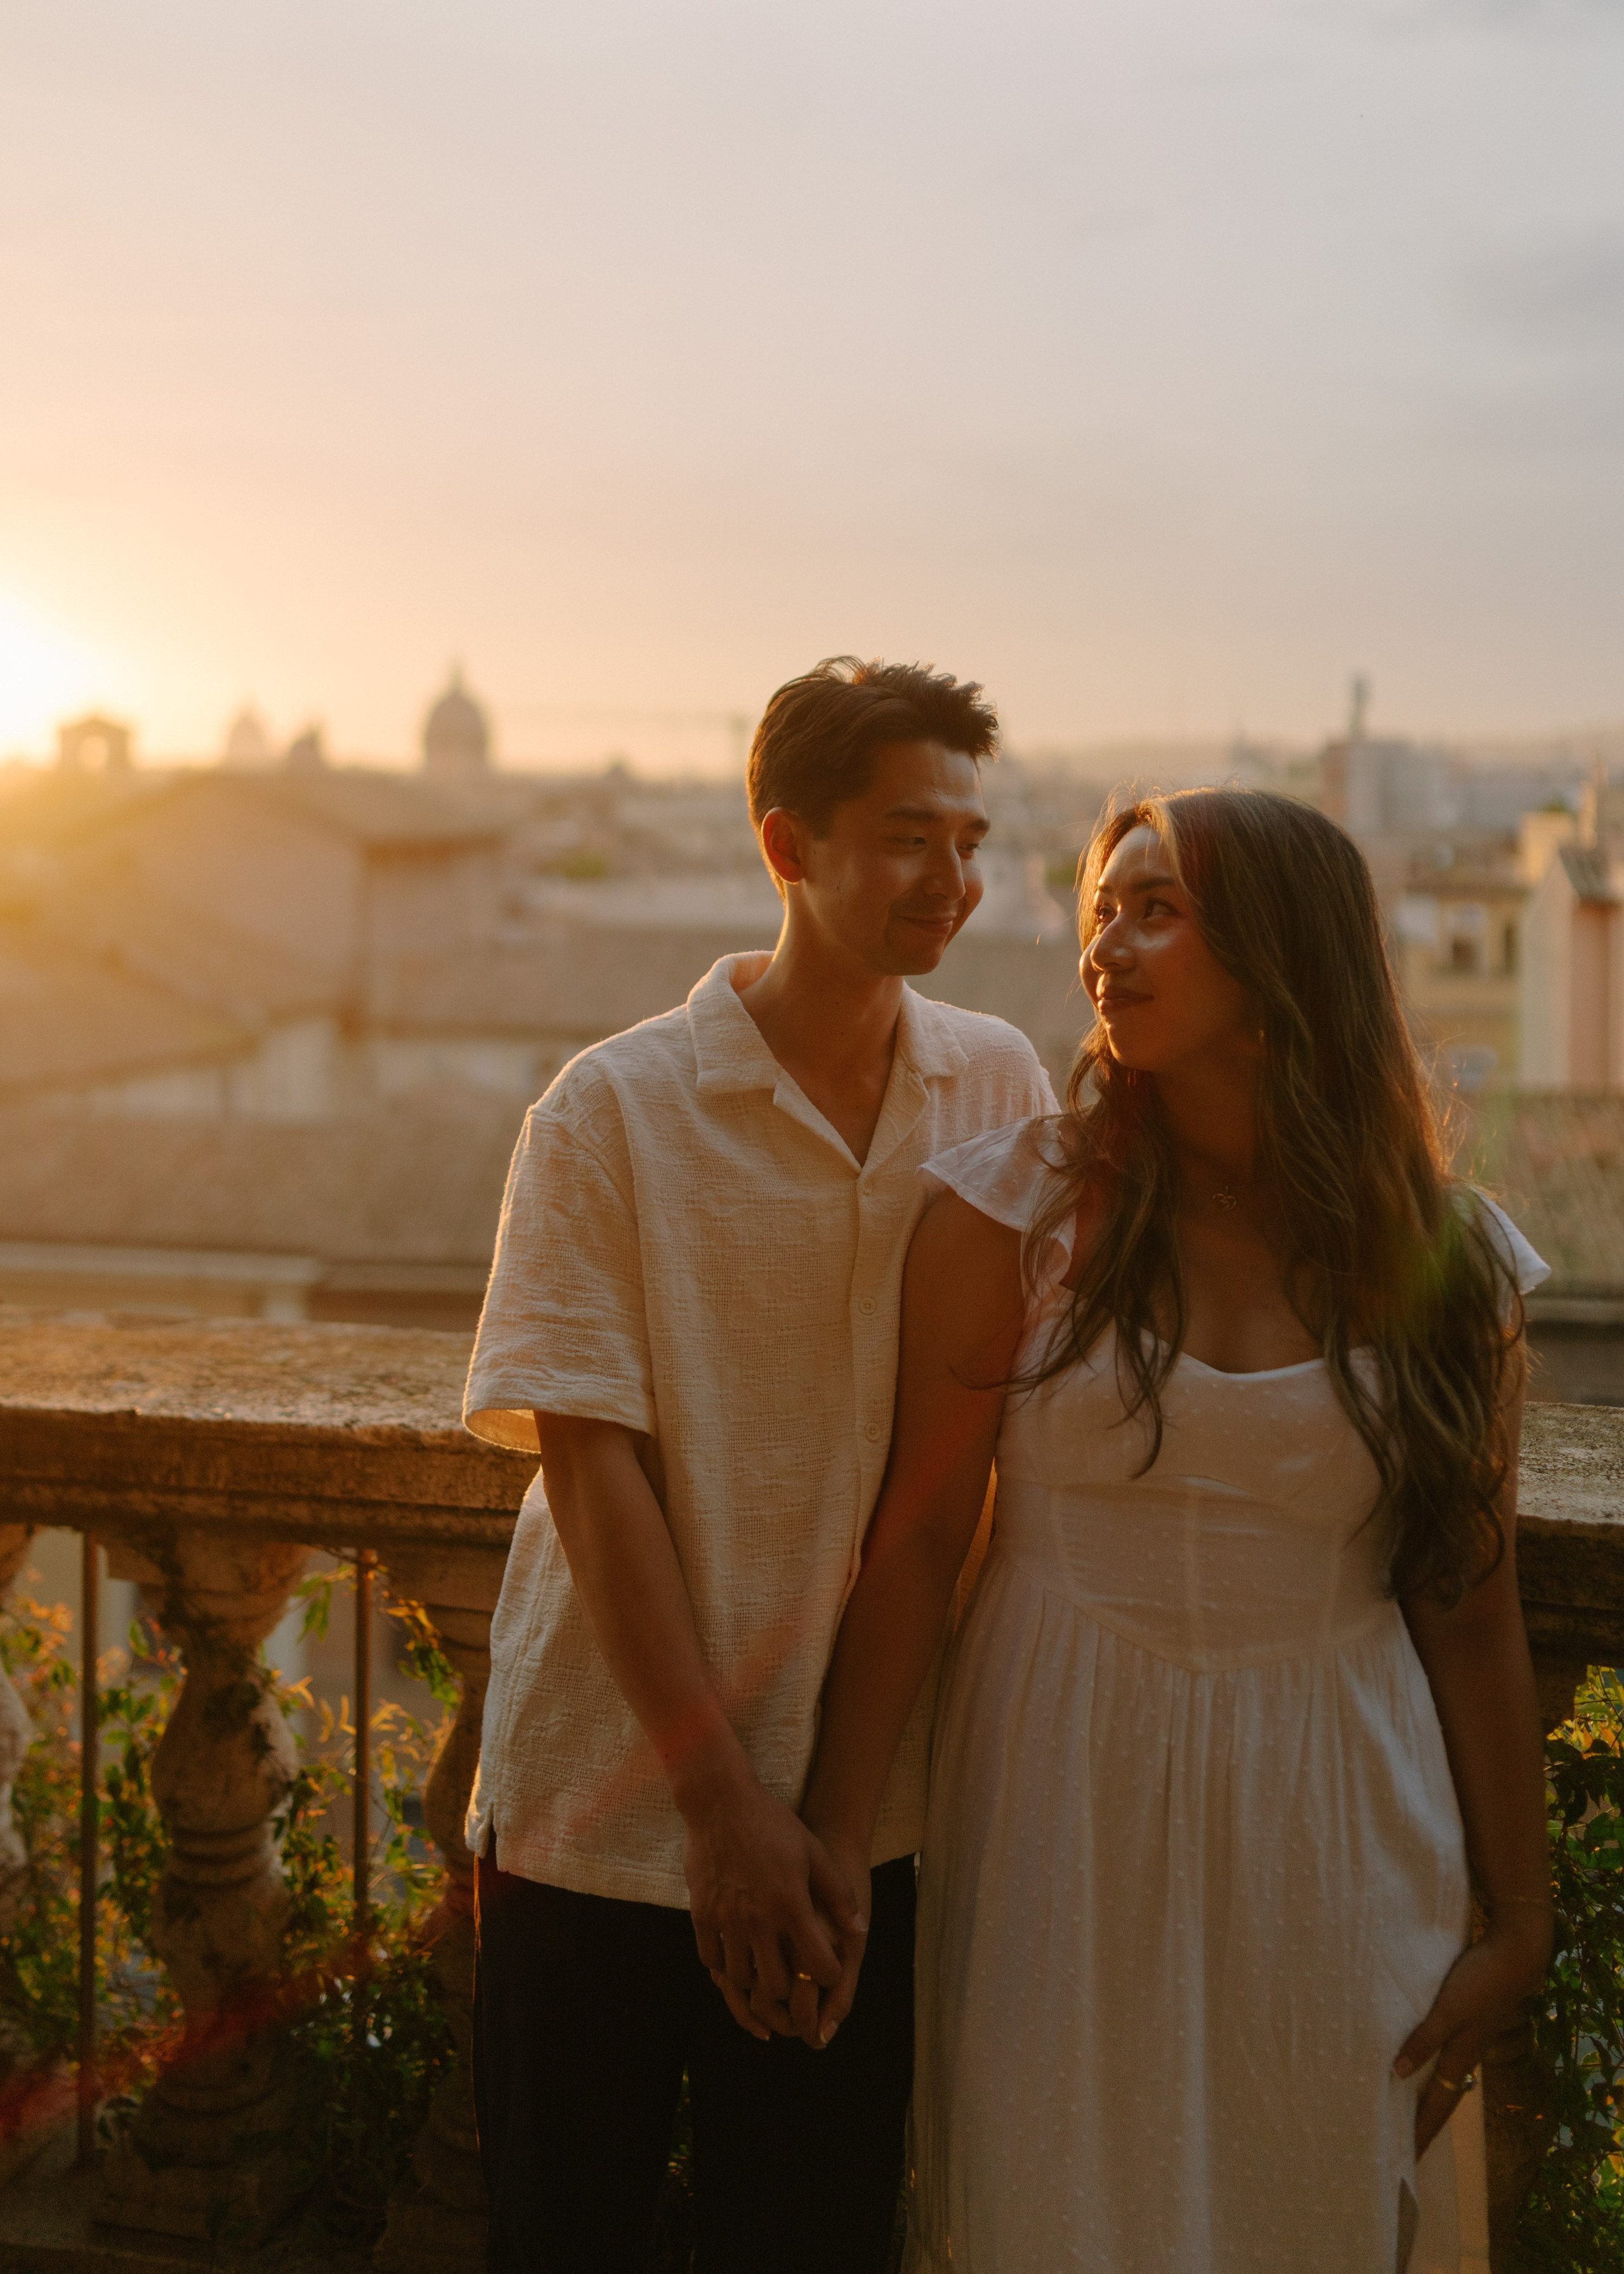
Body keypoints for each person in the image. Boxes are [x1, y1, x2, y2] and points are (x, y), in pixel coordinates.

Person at [784, 787, 1553, 2274]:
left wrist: (1514, 1923)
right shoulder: (1006, 1218)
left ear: (1281, 959)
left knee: (1310, 2211)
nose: (1102, 951)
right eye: (1097, 914)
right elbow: (922, 1540)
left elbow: (1467, 1596)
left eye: (1154, 912)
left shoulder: (1450, 1266)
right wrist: (834, 1833)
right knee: (1048, 2210)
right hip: (1057, 1798)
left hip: (1338, 1810)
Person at [461, 656, 1058, 2273]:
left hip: (856, 1826)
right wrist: (723, 1812)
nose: (952, 882)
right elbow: (594, 1475)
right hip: (602, 1807)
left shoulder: (996, 1085)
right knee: (561, 2227)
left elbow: (945, 1496)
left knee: (810, 2231)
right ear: (786, 845)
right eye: (904, 839)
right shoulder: (610, 1112)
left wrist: (832, 1825)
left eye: (969, 838)